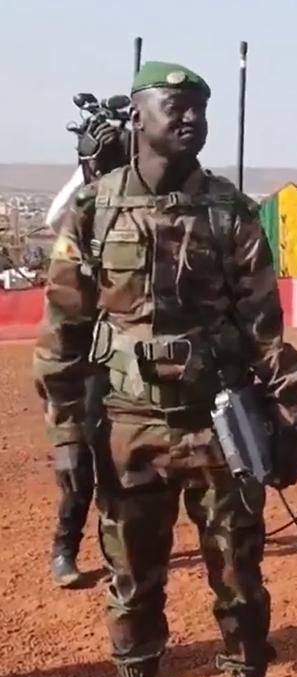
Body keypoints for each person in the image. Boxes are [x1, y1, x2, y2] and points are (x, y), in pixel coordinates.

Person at [32, 61, 297, 677]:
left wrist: (290, 418)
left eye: (200, 109)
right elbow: (62, 333)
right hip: (128, 428)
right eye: (176, 107)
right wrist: (68, 436)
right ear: (137, 117)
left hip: (220, 426)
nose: (192, 119)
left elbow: (265, 330)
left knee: (239, 573)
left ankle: (247, 675)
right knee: (131, 578)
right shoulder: (93, 210)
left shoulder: (230, 211)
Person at [48, 111, 127, 588]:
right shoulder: (84, 209)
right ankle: (65, 546)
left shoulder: (138, 203)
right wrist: (86, 161)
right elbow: (55, 218)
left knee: (119, 460)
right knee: (77, 461)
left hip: (122, 358)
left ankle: (119, 550)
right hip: (79, 357)